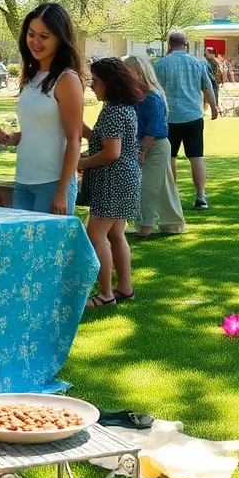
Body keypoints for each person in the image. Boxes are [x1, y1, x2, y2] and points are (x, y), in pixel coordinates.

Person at [0, 3, 85, 215]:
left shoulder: (67, 79)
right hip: (23, 180)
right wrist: (11, 138)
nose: (35, 41)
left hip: (53, 183)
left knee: (49, 248)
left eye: (44, 36)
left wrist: (62, 190)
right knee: (22, 248)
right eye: (31, 34)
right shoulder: (31, 76)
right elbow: (38, 129)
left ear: (60, 39)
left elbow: (74, 139)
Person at [80, 58, 143, 309]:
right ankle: (124, 289)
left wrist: (81, 162)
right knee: (116, 234)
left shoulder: (114, 110)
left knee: (95, 236)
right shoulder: (123, 107)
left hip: (113, 180)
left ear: (109, 82)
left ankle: (106, 294)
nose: (91, 86)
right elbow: (105, 140)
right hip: (124, 179)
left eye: (95, 81)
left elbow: (111, 153)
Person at [154, 31, 220, 209]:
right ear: (186, 44)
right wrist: (213, 107)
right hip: (193, 116)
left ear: (169, 44)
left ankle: (171, 195)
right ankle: (200, 196)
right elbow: (207, 87)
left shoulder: (160, 65)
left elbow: (154, 90)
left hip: (169, 117)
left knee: (170, 157)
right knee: (197, 156)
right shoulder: (198, 63)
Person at [123, 55, 186, 239]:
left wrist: (141, 151)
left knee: (147, 187)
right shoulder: (135, 97)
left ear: (139, 73)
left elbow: (153, 128)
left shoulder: (152, 97)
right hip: (143, 145)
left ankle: (146, 226)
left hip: (155, 147)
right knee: (161, 186)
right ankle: (172, 223)